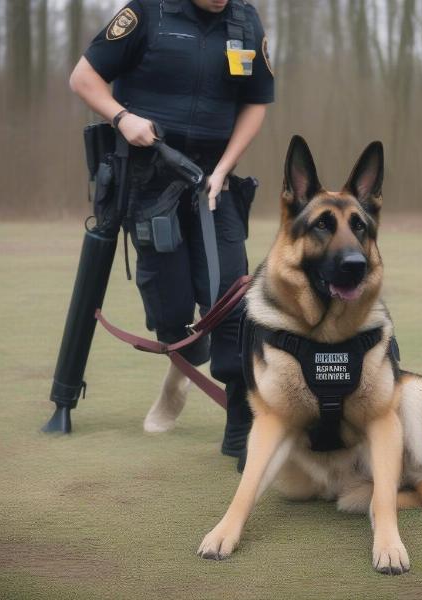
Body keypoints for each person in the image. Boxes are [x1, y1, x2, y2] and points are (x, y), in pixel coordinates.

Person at [69, 0, 274, 469]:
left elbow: (257, 102)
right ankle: (179, 369)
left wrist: (224, 169)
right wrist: (122, 117)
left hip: (213, 182)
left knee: (231, 298)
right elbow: (83, 77)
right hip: (149, 179)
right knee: (171, 307)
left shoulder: (244, 21)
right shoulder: (146, 12)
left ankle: (240, 420)